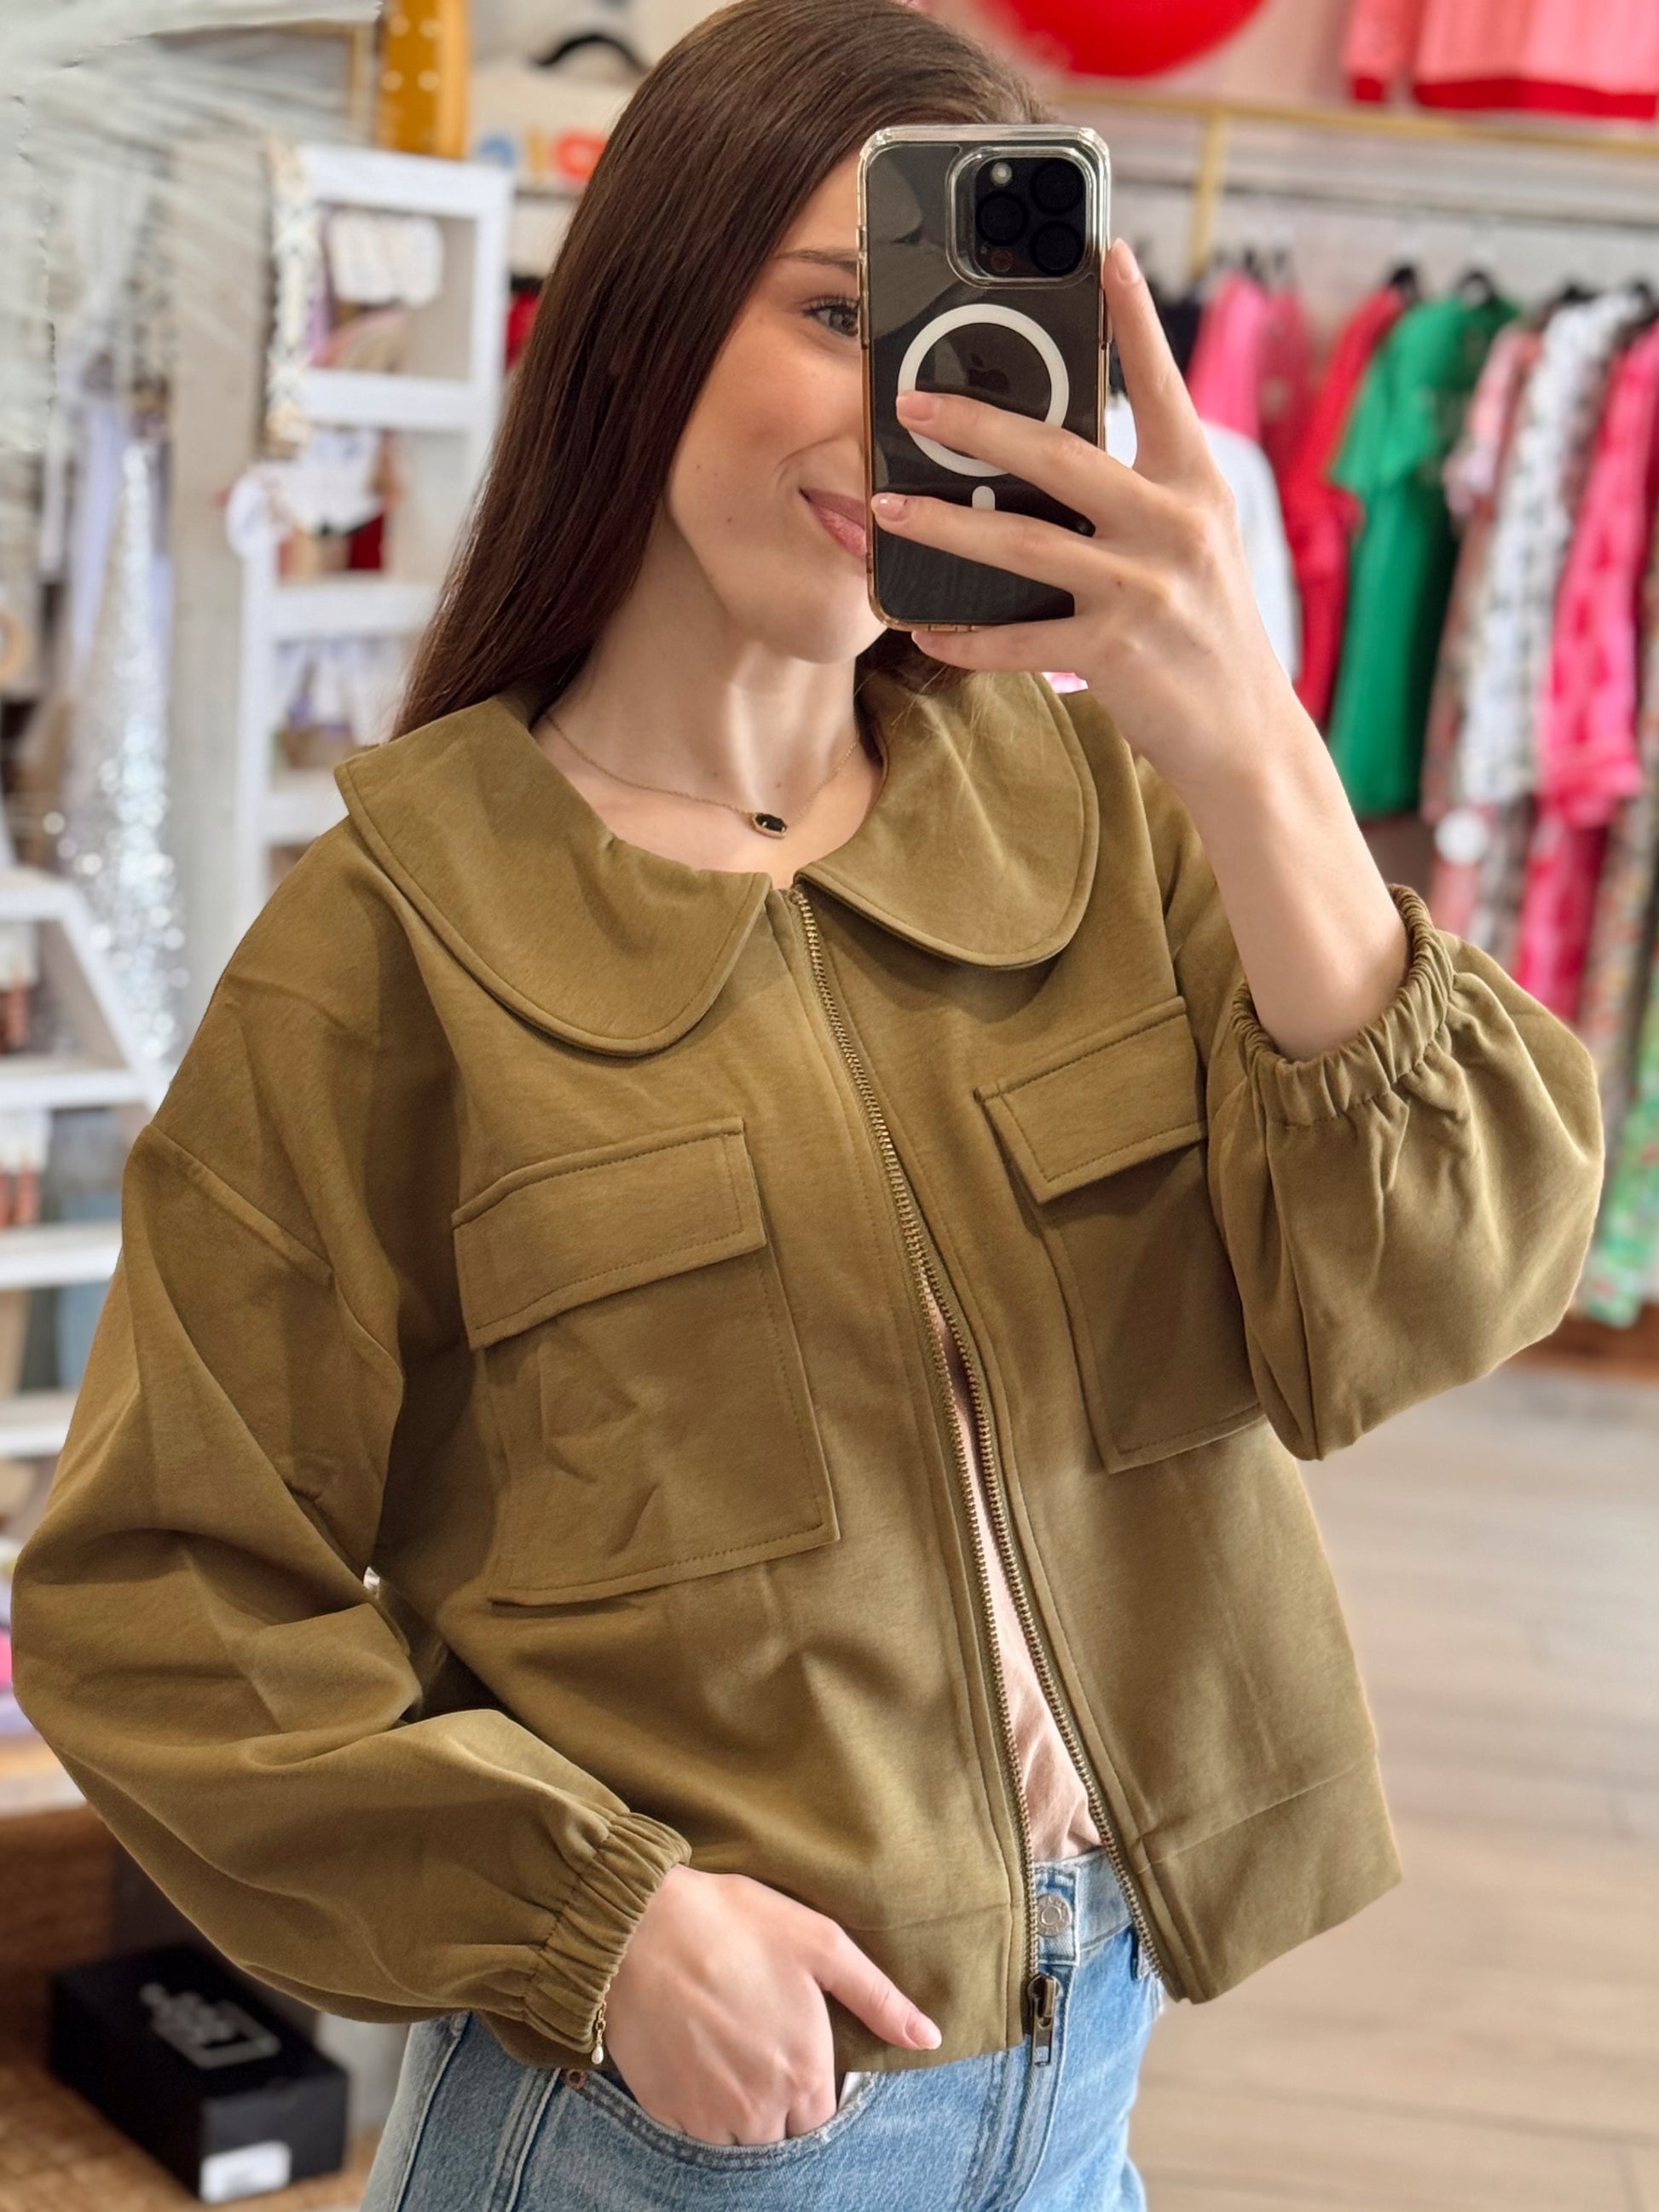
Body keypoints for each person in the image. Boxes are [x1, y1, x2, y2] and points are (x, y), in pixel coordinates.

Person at [11, 2, 1604, 2207]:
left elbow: (1438, 1298)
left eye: (961, 338)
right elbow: (155, 1594)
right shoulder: (394, 941)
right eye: (839, 315)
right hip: (660, 2128)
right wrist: (602, 1918)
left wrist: (1248, 737)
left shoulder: (1112, 818)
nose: (905, 413)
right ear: (652, 312)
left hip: (1077, 2073)